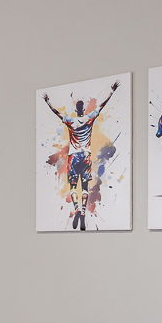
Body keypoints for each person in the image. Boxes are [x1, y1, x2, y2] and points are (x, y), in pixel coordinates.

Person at [43, 80, 119, 230]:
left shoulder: (71, 121)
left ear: (76, 109)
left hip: (73, 157)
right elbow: (102, 106)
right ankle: (83, 212)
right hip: (85, 156)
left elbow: (57, 113)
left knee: (72, 185)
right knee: (84, 186)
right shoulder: (89, 118)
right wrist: (112, 91)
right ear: (83, 109)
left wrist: (48, 102)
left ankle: (77, 208)